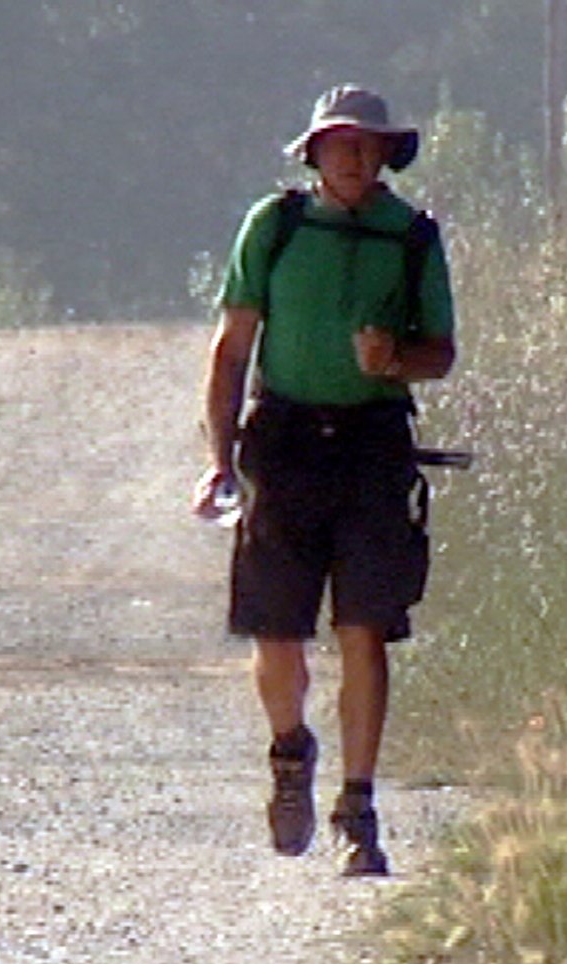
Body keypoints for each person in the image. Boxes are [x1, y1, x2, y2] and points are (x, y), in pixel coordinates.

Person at [192, 84, 457, 877]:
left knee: (364, 628)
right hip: (285, 439)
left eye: (367, 144)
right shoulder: (274, 227)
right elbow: (233, 349)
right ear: (313, 153)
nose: (353, 156)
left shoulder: (411, 238)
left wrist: (396, 362)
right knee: (277, 634)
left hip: (373, 445)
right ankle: (290, 753)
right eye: (339, 142)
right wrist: (220, 460)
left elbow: (439, 352)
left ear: (385, 156)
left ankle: (358, 807)